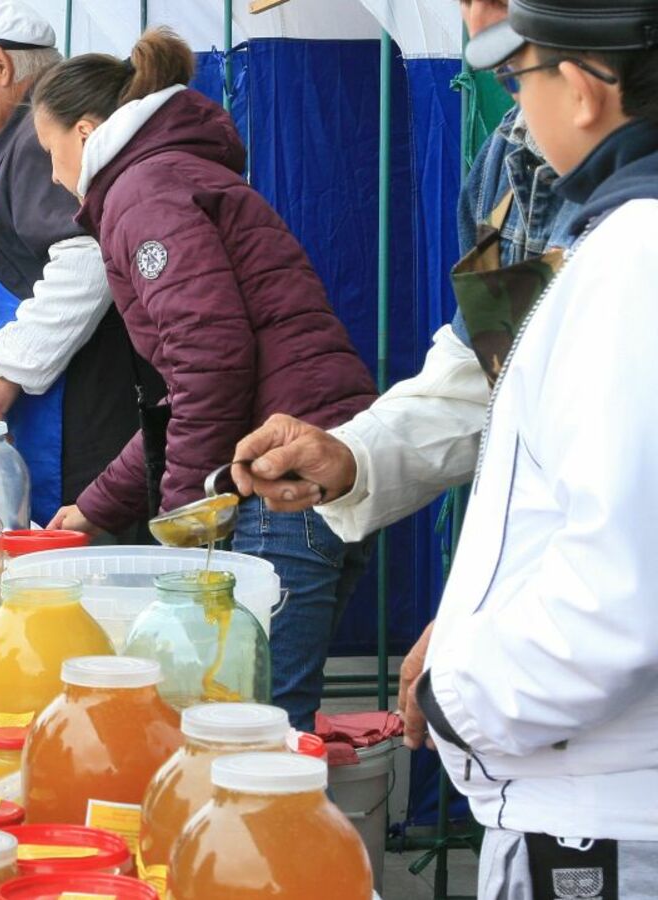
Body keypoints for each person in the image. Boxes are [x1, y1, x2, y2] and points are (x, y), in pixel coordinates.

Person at [230, 0, 583, 748]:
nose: (477, 16)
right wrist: (351, 455)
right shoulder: (511, 158)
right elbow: (486, 366)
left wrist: (493, 616)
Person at [32, 33, 379, 728]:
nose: (53, 174)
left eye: (50, 151)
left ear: (88, 131)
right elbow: (187, 391)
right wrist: (98, 505)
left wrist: (187, 520)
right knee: (265, 731)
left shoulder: (142, 192)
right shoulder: (165, 177)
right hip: (307, 461)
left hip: (279, 480)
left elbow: (210, 363)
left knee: (250, 735)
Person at [415, 2, 655, 892]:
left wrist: (461, 689)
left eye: (519, 74)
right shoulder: (551, 191)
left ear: (586, 89)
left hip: (602, 812)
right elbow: (493, 363)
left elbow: (620, 589)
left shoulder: (635, 255)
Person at [0, 0, 145, 532]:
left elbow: (87, 259)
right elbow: (27, 289)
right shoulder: (24, 143)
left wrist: (8, 371)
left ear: (0, 65)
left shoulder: (32, 142)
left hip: (84, 427)